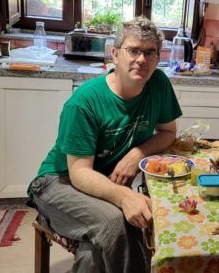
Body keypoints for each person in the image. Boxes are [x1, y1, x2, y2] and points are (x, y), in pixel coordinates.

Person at [28, 16, 182, 272]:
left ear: (158, 58)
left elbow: (168, 132)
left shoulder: (159, 84)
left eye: (149, 52)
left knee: (96, 250)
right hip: (57, 181)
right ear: (115, 55)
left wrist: (136, 153)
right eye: (133, 50)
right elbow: (79, 173)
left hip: (100, 180)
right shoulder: (85, 102)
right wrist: (125, 196)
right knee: (116, 222)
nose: (141, 60)